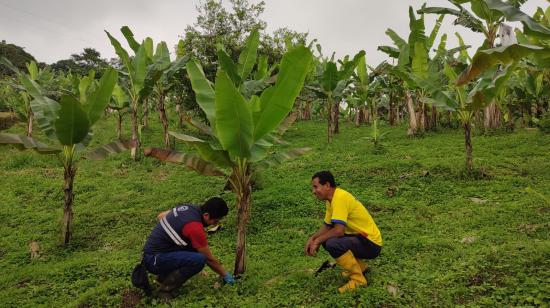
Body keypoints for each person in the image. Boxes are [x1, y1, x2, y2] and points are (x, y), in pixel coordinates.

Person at [305, 171, 382, 293]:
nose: (313, 191)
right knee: (327, 240)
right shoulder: (331, 200)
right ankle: (361, 268)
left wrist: (318, 240)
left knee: (332, 243)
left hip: (370, 243)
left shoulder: (340, 198)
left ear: (327, 185)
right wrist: (313, 238)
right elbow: (327, 226)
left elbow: (339, 231)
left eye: (315, 187)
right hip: (360, 238)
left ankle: (358, 280)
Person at [142, 197, 235, 296]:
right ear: (206, 215)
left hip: (150, 254)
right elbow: (209, 259)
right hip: (153, 260)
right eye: (215, 221)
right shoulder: (195, 227)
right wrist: (225, 274)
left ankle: (163, 278)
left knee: (194, 247)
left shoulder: (187, 207)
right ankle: (165, 290)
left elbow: (160, 216)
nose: (215, 224)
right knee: (199, 259)